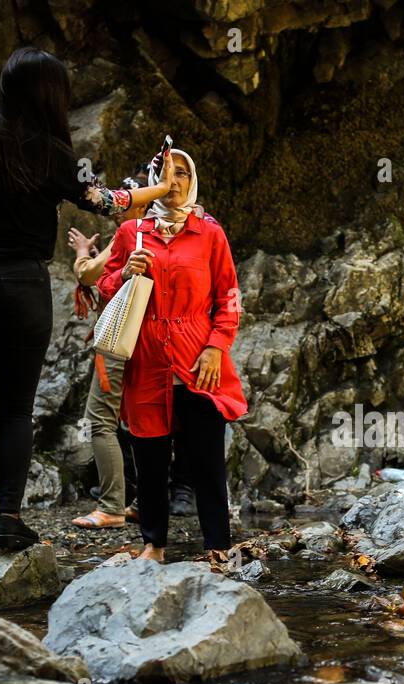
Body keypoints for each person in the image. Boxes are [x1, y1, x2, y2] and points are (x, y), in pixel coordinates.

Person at [0, 47, 174, 553]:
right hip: (22, 286)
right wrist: (162, 187)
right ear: (51, 96)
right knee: (16, 411)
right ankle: (10, 516)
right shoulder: (55, 155)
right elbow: (107, 203)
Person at [97, 140, 247, 561]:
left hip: (199, 359)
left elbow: (230, 296)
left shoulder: (210, 233)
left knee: (206, 463)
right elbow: (104, 290)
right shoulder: (132, 232)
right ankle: (154, 546)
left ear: (193, 180)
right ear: (152, 182)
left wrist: (217, 347)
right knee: (150, 457)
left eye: (182, 173)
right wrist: (124, 273)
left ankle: (218, 547)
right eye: (166, 173)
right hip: (146, 360)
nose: (174, 181)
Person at [68, 165, 197, 530]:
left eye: (126, 199)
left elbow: (89, 275)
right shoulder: (183, 231)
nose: (119, 208)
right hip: (163, 343)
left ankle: (111, 505)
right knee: (148, 421)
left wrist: (81, 252)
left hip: (124, 339)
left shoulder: (134, 231)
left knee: (102, 420)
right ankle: (147, 500)